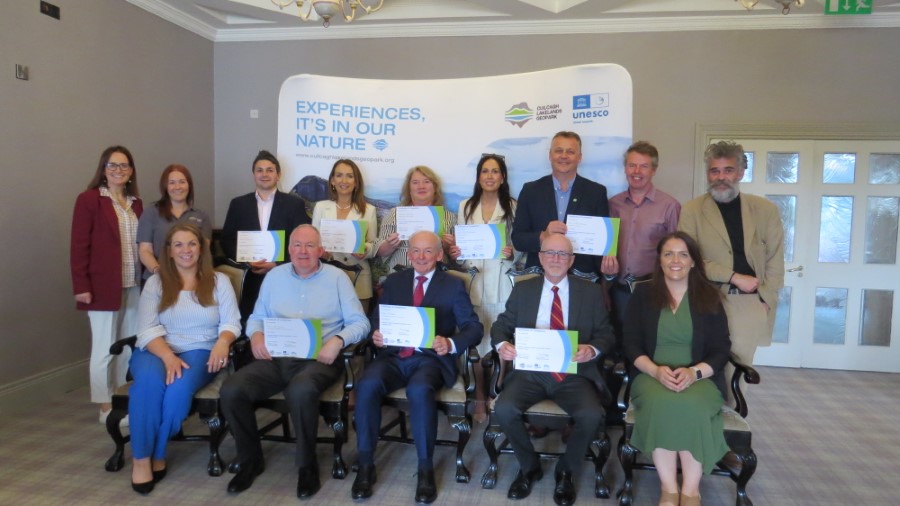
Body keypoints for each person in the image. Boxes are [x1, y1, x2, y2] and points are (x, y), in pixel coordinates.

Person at [219, 224, 370, 499]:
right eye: (297, 245)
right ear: (289, 250)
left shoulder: (337, 278)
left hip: (319, 359)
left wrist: (337, 340)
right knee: (232, 390)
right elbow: (256, 317)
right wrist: (255, 336)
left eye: (310, 245)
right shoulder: (274, 276)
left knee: (301, 390)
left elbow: (360, 322)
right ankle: (250, 459)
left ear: (321, 251)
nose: (303, 251)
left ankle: (306, 465)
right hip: (275, 357)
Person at [352, 231, 483, 504]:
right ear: (409, 254)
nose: (421, 257)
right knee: (366, 385)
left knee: (420, 389)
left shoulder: (452, 285)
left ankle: (425, 469)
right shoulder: (395, 282)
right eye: (416, 251)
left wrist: (450, 343)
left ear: (438, 255)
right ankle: (366, 465)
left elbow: (474, 328)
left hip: (430, 359)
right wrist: (376, 334)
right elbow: (377, 319)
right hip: (393, 357)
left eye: (428, 251)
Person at [491, 233, 614, 506]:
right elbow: (501, 325)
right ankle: (529, 466)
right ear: (541, 257)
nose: (556, 259)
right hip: (530, 372)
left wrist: (591, 350)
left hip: (573, 374)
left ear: (571, 260)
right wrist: (502, 345)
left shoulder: (590, 291)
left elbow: (606, 334)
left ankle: (566, 472)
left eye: (563, 254)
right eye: (550, 253)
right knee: (504, 408)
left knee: (592, 414)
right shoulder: (524, 289)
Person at [128, 223, 241, 495]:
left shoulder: (218, 281)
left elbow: (232, 322)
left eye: (191, 243)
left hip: (201, 350)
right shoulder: (156, 283)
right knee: (147, 385)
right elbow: (146, 328)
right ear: (168, 251)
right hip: (155, 349)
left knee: (178, 389)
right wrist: (167, 357)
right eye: (178, 244)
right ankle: (141, 459)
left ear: (201, 248)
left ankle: (158, 451)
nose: (185, 250)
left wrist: (222, 342)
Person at [622, 231, 732, 506]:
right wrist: (656, 371)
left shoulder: (709, 296)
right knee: (662, 402)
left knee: (693, 405)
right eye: (668, 253)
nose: (676, 260)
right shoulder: (643, 293)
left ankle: (691, 491)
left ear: (694, 261)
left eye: (684, 254)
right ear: (659, 259)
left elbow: (721, 348)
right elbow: (631, 344)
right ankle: (669, 489)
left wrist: (695, 373)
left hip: (700, 377)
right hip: (651, 375)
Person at [678, 140, 784, 373]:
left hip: (748, 303)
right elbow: (686, 259)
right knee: (702, 369)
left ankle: (735, 412)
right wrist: (733, 276)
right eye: (714, 171)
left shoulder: (765, 210)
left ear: (741, 173)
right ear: (707, 174)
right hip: (705, 299)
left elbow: (775, 259)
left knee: (739, 371)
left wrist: (765, 299)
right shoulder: (692, 210)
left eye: (728, 170)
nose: (721, 177)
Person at [70, 145, 143, 425]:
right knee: (104, 347)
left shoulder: (135, 203)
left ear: (131, 170)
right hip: (101, 286)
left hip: (133, 284)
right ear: (103, 169)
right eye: (112, 166)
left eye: (123, 166)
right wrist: (81, 285)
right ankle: (104, 405)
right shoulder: (89, 200)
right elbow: (79, 246)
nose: (118, 170)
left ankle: (120, 399)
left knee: (127, 345)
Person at [601, 141, 680, 350]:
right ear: (625, 168)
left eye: (643, 166)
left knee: (647, 343)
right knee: (618, 343)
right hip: (617, 289)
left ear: (654, 170)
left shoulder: (670, 206)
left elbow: (677, 255)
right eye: (632, 165)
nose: (637, 171)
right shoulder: (612, 204)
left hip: (651, 289)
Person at [221, 150, 310, 321]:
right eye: (259, 170)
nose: (264, 174)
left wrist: (277, 263)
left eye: (270, 170)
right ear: (253, 174)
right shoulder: (238, 204)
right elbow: (227, 240)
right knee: (250, 324)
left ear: (278, 174)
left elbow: (302, 242)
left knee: (282, 322)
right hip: (249, 280)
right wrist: (246, 261)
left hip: (285, 276)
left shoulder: (295, 204)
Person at [512, 131, 609, 277]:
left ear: (580, 157)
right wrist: (543, 236)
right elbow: (518, 239)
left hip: (582, 280)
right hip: (539, 278)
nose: (564, 156)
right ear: (550, 155)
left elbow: (602, 244)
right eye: (559, 151)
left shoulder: (596, 193)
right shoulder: (530, 191)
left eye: (570, 151)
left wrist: (607, 272)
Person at [311, 159, 378, 312]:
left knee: (358, 328)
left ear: (356, 182)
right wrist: (320, 251)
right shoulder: (321, 207)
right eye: (339, 175)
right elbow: (313, 241)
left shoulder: (369, 210)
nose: (344, 180)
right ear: (332, 180)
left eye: (349, 176)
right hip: (325, 274)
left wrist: (364, 250)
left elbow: (373, 244)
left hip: (358, 275)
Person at [375, 165, 457, 273]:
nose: (421, 186)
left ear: (435, 188)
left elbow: (455, 257)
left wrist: (448, 247)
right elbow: (380, 252)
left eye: (426, 181)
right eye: (415, 182)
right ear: (409, 189)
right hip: (401, 276)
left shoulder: (449, 217)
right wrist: (390, 244)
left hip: (437, 279)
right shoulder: (394, 214)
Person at [137, 164, 212, 280]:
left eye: (182, 182)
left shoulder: (202, 216)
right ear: (165, 186)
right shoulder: (150, 213)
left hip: (192, 280)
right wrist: (159, 272)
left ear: (189, 185)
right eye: (172, 182)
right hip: (157, 279)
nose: (178, 187)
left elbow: (203, 252)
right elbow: (145, 251)